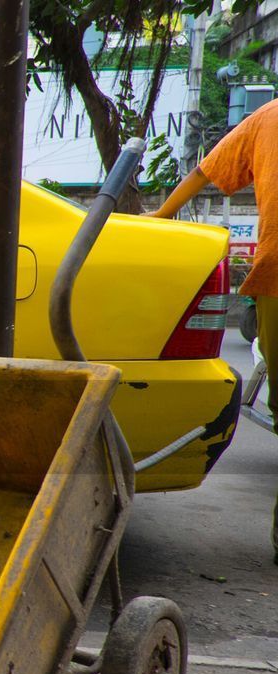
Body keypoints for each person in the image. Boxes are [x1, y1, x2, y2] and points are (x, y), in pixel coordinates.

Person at [150, 98, 278, 559]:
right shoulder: (267, 119)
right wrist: (161, 217)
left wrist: (162, 216)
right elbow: (210, 168)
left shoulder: (267, 116)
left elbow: (205, 171)